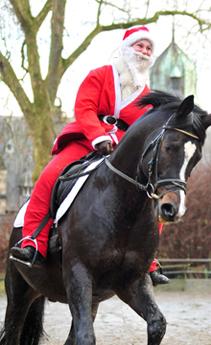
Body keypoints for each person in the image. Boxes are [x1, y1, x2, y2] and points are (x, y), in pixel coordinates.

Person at [10, 26, 169, 286]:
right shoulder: (101, 74)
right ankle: (32, 242)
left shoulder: (147, 96)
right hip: (88, 140)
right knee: (51, 176)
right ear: (128, 48)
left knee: (150, 192)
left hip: (124, 152)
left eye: (149, 48)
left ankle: (147, 260)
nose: (144, 52)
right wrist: (98, 136)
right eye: (140, 46)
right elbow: (84, 107)